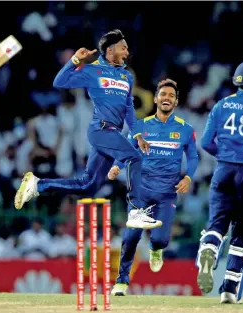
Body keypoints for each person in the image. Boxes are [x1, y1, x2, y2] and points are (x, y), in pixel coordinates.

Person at [14, 29, 162, 230]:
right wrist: (74, 60)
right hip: (101, 130)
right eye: (123, 48)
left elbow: (128, 109)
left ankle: (37, 185)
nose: (127, 52)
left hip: (113, 133)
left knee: (88, 185)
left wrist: (137, 134)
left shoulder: (126, 76)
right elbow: (59, 82)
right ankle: (136, 212)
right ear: (110, 50)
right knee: (135, 158)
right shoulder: (93, 70)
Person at [108, 79, 199, 296]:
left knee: (160, 238)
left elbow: (193, 156)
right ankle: (121, 281)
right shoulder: (141, 126)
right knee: (131, 236)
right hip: (141, 191)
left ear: (176, 101)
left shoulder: (186, 130)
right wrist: (116, 167)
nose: (166, 98)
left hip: (167, 193)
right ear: (156, 98)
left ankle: (156, 249)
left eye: (171, 95)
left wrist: (188, 177)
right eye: (163, 94)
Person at [195, 61, 243, 304]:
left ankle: (209, 250)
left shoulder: (221, 105)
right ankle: (228, 289)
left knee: (217, 224)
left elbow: (206, 142)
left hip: (224, 170)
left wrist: (226, 155)